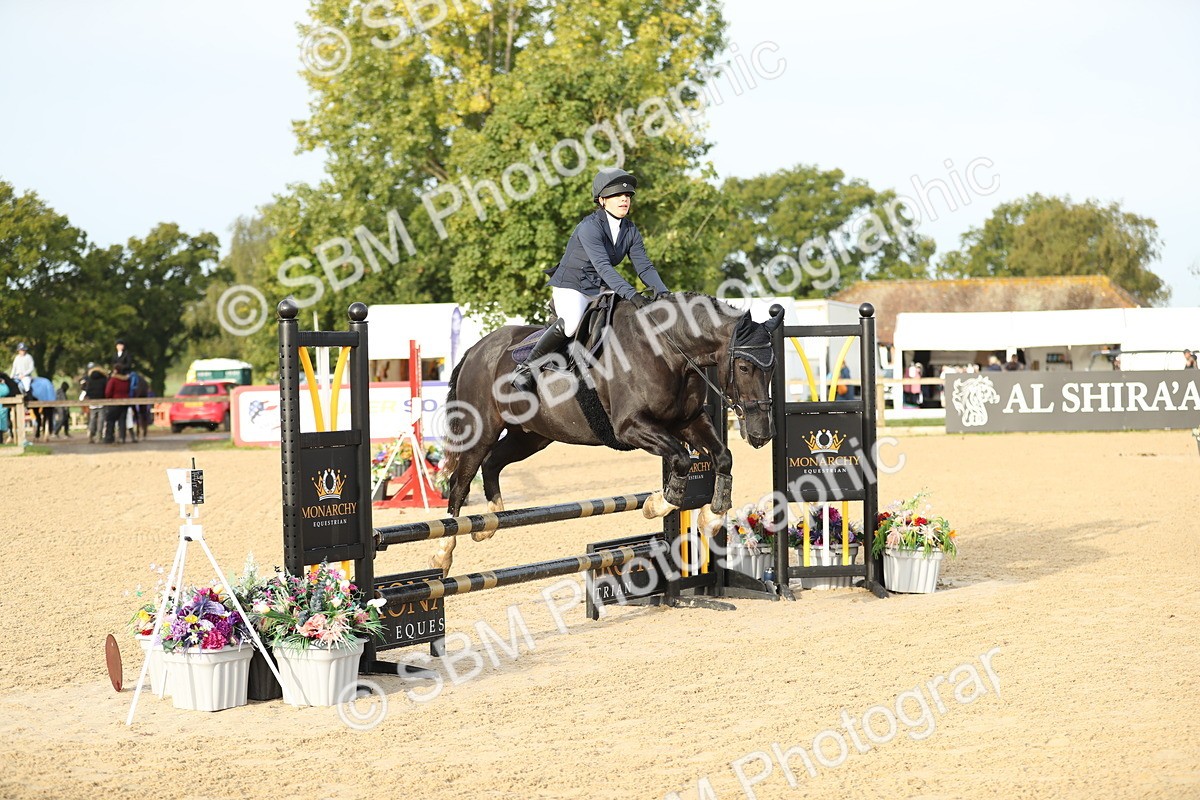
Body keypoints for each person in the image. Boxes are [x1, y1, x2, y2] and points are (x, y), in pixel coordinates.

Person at [512, 167, 670, 392]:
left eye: (627, 196)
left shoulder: (631, 230)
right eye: (617, 195)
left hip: (599, 287)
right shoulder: (589, 227)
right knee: (573, 323)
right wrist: (633, 294)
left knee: (624, 317)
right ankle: (526, 369)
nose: (624, 199)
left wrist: (664, 294)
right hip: (572, 285)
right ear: (602, 200)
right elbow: (604, 268)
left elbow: (644, 267)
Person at [103, 363, 132, 444]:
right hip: (125, 402)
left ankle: (109, 437)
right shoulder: (127, 380)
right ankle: (122, 437)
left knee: (110, 420)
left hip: (114, 402)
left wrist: (109, 397)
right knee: (122, 420)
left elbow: (108, 392)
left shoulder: (113, 380)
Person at [80, 362, 108, 443]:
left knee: (92, 419)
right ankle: (99, 436)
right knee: (101, 420)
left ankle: (91, 435)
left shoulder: (90, 380)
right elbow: (106, 390)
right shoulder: (104, 380)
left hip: (92, 402)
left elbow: (88, 390)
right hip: (102, 401)